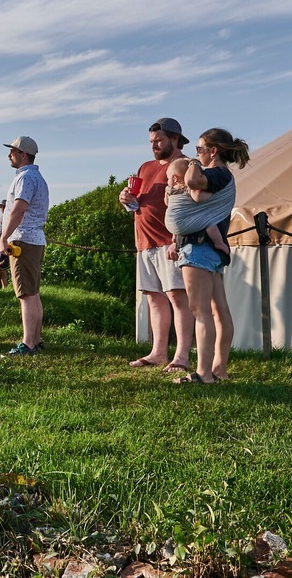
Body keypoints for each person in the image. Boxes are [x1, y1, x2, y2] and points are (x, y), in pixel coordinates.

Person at [173, 128, 250, 385]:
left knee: (200, 312)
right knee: (219, 310)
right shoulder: (222, 176)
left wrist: (192, 164)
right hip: (210, 251)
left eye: (199, 150)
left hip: (199, 249)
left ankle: (204, 373)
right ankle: (219, 367)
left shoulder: (216, 173)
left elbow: (193, 182)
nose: (196, 155)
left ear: (213, 151)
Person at [119, 118, 194, 373]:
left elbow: (193, 201)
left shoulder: (185, 166)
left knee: (177, 297)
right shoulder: (145, 167)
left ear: (175, 139)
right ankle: (158, 353)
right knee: (153, 297)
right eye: (151, 141)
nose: (154, 146)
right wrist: (127, 200)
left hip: (170, 241)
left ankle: (181, 356)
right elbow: (140, 202)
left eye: (159, 140)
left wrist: (178, 239)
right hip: (144, 241)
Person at [0, 136, 50, 356]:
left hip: (23, 239)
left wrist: (4, 237)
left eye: (13, 151)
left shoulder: (25, 178)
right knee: (33, 292)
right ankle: (35, 340)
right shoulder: (36, 177)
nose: (9, 154)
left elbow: (18, 209)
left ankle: (28, 344)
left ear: (23, 154)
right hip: (35, 239)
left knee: (25, 295)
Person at [163, 158, 230, 256]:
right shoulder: (188, 189)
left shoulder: (170, 190)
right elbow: (200, 198)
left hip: (172, 223)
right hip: (183, 222)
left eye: (167, 178)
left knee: (178, 213)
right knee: (209, 222)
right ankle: (219, 243)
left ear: (174, 179)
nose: (167, 181)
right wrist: (213, 195)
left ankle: (175, 236)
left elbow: (166, 203)